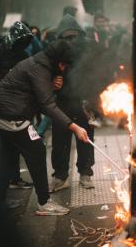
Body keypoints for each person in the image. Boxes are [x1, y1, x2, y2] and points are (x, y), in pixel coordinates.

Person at [0, 39, 89, 215]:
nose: (64, 69)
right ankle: (44, 203)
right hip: (10, 115)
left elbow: (39, 95)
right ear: (57, 61)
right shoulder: (40, 68)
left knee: (6, 155)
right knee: (37, 150)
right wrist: (75, 127)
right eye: (63, 65)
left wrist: (52, 87)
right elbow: (47, 105)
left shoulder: (41, 62)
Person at [0, 21, 34, 192]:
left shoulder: (23, 55)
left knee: (14, 145)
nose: (22, 44)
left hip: (16, 108)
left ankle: (14, 178)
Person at [49, 14, 96, 192]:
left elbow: (97, 75)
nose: (70, 41)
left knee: (86, 139)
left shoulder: (88, 51)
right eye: (66, 37)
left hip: (84, 101)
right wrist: (52, 82)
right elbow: (43, 73)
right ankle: (60, 176)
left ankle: (86, 173)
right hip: (62, 102)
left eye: (73, 36)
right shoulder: (54, 52)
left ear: (80, 35)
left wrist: (94, 103)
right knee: (60, 141)